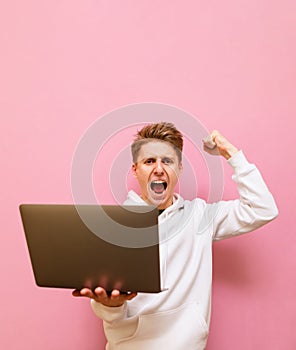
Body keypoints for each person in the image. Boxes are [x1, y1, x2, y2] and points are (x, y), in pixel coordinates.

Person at [72, 122, 278, 349]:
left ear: (179, 169)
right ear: (135, 169)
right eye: (149, 161)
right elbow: (105, 303)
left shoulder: (200, 216)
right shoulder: (114, 225)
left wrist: (232, 154)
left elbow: (263, 209)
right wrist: (110, 305)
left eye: (167, 161)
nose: (159, 169)